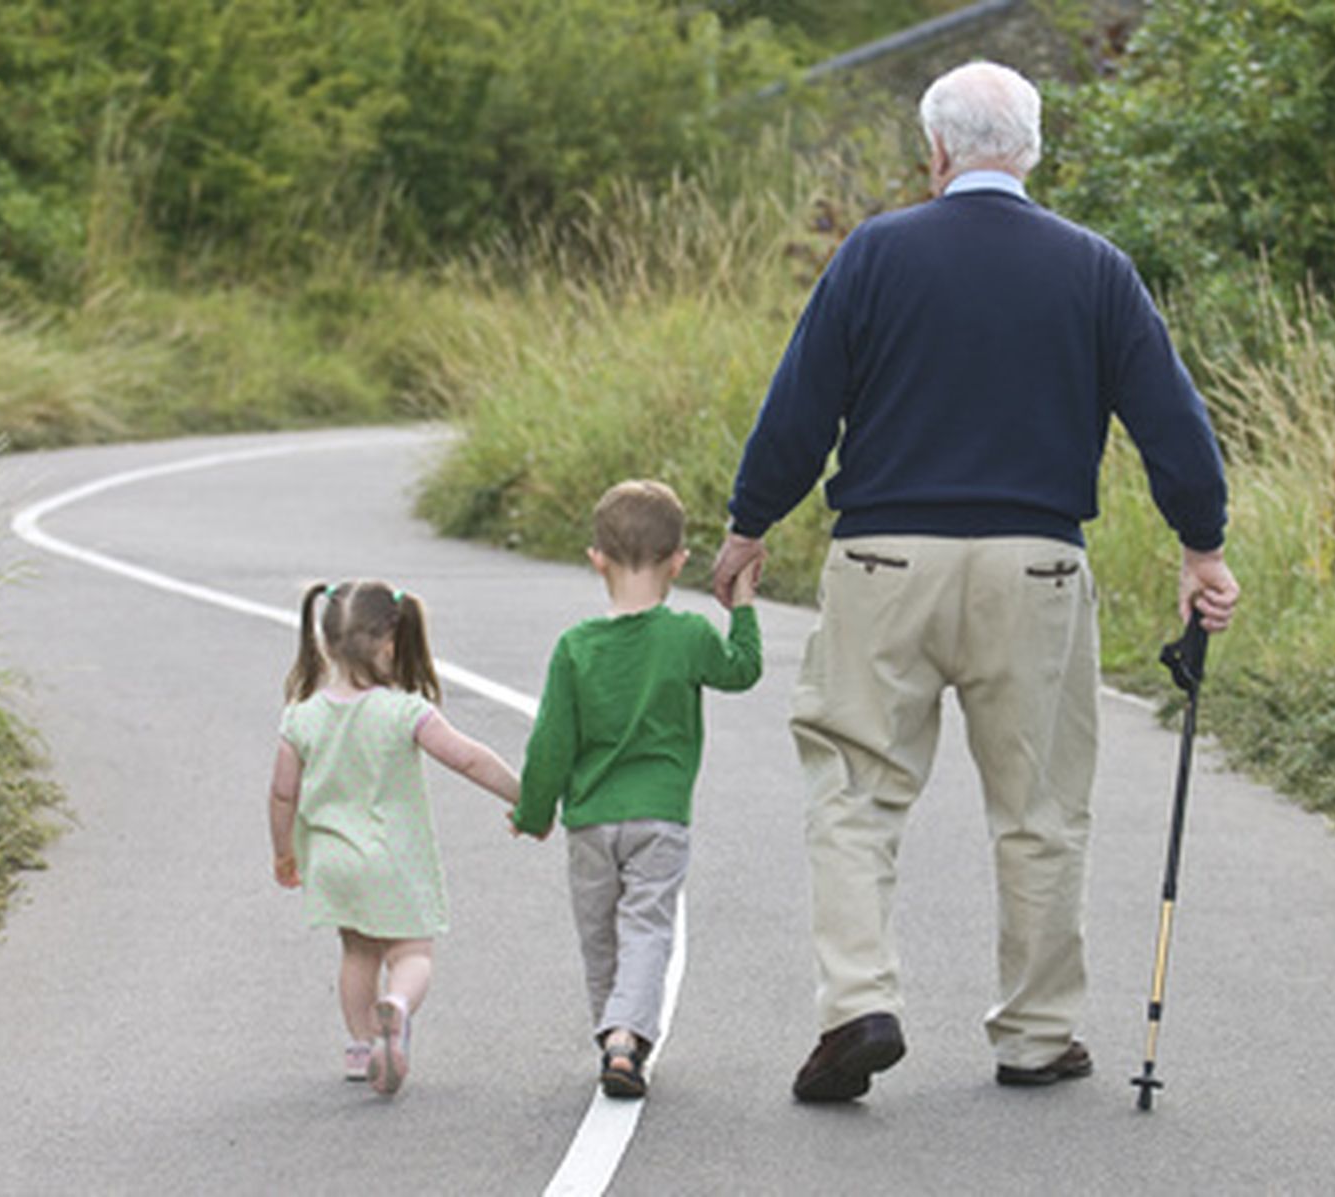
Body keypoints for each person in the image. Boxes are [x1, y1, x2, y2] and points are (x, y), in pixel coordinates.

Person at [710, 60, 1241, 1103]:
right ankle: (1036, 1035)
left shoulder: (874, 252)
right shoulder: (1094, 267)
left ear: (937, 151)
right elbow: (1171, 420)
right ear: (1032, 150)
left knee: (855, 791)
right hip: (1035, 567)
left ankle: (858, 1005)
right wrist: (1201, 545)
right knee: (1041, 806)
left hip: (883, 560)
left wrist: (749, 523)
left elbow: (800, 404)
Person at [512, 480, 762, 1098]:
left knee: (599, 935)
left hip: (591, 820)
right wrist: (743, 605)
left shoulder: (575, 648)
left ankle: (613, 1037)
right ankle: (628, 1037)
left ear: (596, 558)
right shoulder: (688, 635)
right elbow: (742, 670)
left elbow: (551, 744)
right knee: (647, 927)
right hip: (660, 817)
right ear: (678, 561)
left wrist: (533, 812)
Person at [267, 579, 521, 1096]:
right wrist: (523, 795)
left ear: (325, 642)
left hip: (334, 863)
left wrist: (284, 853)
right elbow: (467, 759)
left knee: (357, 955)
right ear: (389, 642)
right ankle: (398, 1007)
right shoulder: (405, 711)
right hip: (392, 860)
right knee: (411, 954)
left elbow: (281, 793)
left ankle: (363, 1047)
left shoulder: (301, 717)